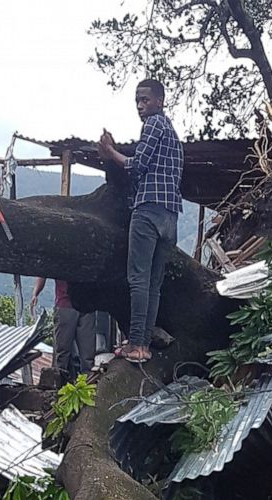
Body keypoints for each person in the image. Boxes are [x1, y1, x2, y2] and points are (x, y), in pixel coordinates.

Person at [98, 78, 183, 363]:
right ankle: (144, 344)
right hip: (171, 216)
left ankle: (136, 343)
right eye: (137, 101)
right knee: (153, 284)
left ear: (159, 101)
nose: (140, 106)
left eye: (145, 100)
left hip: (148, 211)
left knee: (137, 279)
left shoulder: (153, 125)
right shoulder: (172, 134)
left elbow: (137, 165)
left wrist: (110, 153)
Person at [29, 278, 95, 380]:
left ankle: (88, 386)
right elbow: (43, 272)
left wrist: (35, 293)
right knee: (62, 354)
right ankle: (57, 386)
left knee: (87, 355)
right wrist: (35, 293)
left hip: (86, 305)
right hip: (67, 305)